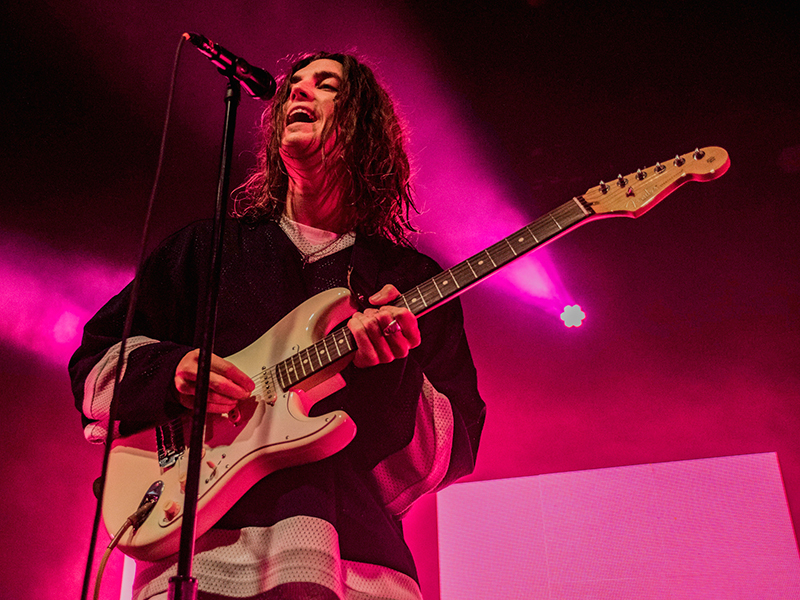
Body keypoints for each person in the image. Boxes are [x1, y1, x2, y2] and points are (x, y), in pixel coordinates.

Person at [69, 51, 485, 600]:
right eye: (294, 85)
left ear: (364, 122)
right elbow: (97, 358)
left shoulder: (407, 280)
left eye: (325, 84)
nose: (299, 91)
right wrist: (172, 372)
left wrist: (393, 367)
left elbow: (453, 445)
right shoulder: (206, 249)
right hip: (199, 548)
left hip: (350, 559)